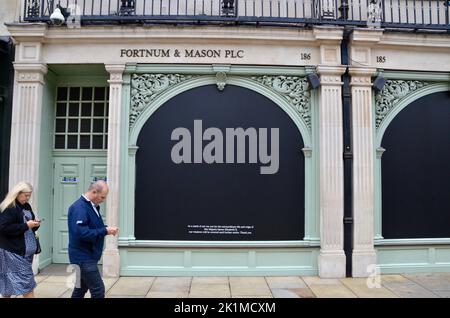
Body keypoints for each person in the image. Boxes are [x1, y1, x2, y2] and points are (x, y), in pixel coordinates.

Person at [68, 180, 118, 298]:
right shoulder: (80, 208)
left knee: (80, 289)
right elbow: (81, 233)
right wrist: (104, 231)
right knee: (98, 290)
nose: (103, 200)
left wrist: (106, 229)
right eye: (102, 197)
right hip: (83, 258)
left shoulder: (91, 206)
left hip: (88, 256)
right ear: (94, 192)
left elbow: (91, 227)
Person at [0, 181, 41, 298]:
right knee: (27, 283)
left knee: (8, 281)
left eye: (29, 195)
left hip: (25, 252)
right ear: (17, 193)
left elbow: (28, 225)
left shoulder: (26, 206)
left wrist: (35, 224)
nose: (27, 198)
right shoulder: (10, 208)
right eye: (26, 195)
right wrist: (26, 225)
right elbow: (3, 228)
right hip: (12, 251)